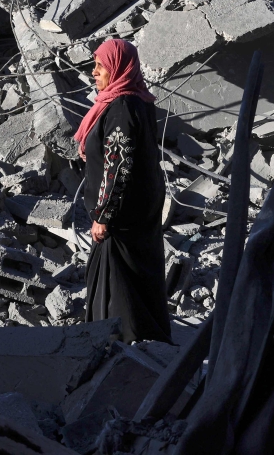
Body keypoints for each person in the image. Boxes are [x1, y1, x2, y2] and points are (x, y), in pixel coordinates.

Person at [75, 38, 172, 344]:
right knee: (137, 276)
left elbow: (118, 166)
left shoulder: (121, 108)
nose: (94, 73)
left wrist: (104, 215)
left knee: (120, 282)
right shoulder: (137, 100)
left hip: (123, 217)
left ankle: (122, 341)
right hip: (140, 207)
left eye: (100, 66)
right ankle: (144, 337)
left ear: (118, 67)